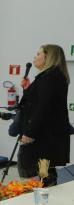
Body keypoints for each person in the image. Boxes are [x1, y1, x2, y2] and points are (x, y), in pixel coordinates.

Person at [17, 44, 71, 185]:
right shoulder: (50, 76)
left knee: (42, 173)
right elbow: (38, 102)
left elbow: (43, 107)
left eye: (38, 53)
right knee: (43, 173)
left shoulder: (50, 77)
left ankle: (42, 195)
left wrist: (30, 132)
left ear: (48, 57)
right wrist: (28, 89)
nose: (35, 57)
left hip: (44, 135)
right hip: (46, 133)